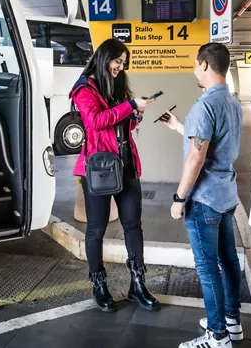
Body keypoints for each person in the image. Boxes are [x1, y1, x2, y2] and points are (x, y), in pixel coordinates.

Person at [158, 43, 244, 348]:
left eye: (196, 65)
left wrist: (179, 198)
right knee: (229, 260)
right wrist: (181, 127)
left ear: (205, 65)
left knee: (208, 268)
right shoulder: (232, 103)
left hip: (205, 198)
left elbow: (196, 159)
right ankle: (231, 321)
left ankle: (217, 335)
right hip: (226, 195)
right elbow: (211, 145)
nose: (194, 70)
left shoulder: (204, 106)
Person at [69, 38, 160, 313]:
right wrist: (130, 105)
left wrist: (136, 115)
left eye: (123, 63)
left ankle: (137, 284)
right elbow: (96, 122)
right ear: (104, 57)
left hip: (126, 164)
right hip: (98, 168)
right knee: (96, 229)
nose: (121, 67)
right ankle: (99, 286)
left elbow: (123, 125)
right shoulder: (83, 88)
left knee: (133, 225)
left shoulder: (117, 85)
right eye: (117, 61)